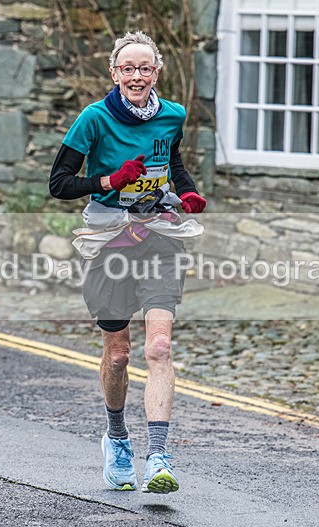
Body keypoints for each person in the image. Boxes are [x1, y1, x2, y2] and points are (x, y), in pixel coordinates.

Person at [49, 31, 207, 494]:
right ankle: (117, 437)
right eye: (128, 68)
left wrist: (189, 190)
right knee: (118, 355)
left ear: (157, 72)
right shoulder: (93, 119)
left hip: (159, 237)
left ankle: (159, 456)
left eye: (145, 68)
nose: (137, 76)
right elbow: (59, 183)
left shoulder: (173, 114)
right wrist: (108, 180)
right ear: (114, 73)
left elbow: (171, 160)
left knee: (159, 348)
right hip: (110, 243)